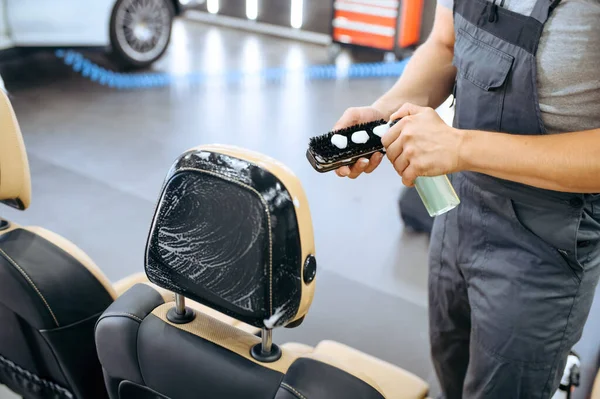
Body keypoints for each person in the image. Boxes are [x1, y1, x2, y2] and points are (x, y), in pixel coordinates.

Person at [333, 0, 600, 398]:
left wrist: (460, 147)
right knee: (450, 365)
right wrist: (381, 113)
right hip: (458, 206)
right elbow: (445, 44)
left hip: (544, 245)